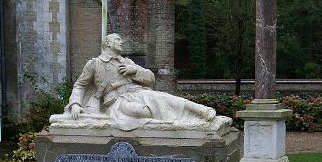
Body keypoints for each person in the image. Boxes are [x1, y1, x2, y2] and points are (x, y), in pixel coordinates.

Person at [63, 33, 216, 131]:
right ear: (107, 44)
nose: (121, 42)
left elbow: (150, 78)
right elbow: (80, 85)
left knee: (165, 98)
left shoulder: (128, 61)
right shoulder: (95, 63)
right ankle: (180, 123)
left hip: (139, 93)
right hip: (117, 101)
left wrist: (134, 70)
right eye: (117, 39)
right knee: (144, 111)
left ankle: (202, 112)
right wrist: (75, 104)